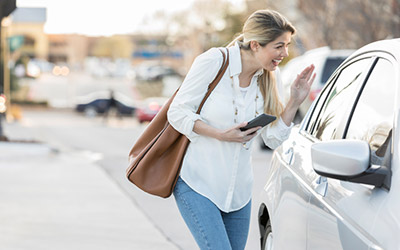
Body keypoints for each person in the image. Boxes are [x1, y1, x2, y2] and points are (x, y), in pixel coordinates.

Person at [167, 9, 315, 250]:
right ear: (255, 44)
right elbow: (177, 112)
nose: (285, 54)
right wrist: (220, 134)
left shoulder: (268, 78)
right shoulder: (214, 62)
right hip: (198, 184)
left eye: (287, 46)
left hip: (238, 195)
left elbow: (272, 139)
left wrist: (294, 102)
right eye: (279, 46)